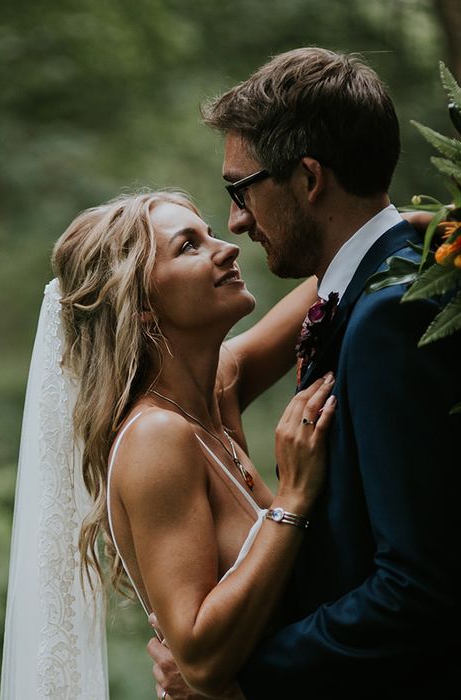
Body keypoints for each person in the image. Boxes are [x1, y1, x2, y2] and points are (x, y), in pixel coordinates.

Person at [148, 47, 460, 700]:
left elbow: (419, 587)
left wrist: (246, 676)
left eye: (241, 189)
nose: (235, 222)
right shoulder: (389, 280)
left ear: (309, 177)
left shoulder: (386, 319)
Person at [0, 187, 339, 700]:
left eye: (209, 236)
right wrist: (291, 500)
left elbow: (339, 279)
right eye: (189, 246)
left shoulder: (216, 388)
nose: (226, 248)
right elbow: (199, 658)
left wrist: (417, 224)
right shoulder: (157, 438)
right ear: (141, 308)